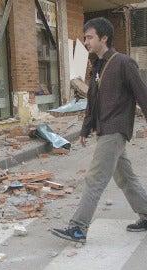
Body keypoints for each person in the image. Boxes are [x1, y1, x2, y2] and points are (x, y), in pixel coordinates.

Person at [51, 17, 147, 243]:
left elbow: (142, 94)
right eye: (85, 37)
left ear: (104, 38)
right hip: (104, 129)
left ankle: (78, 228)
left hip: (116, 129)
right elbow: (92, 101)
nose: (86, 41)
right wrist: (85, 129)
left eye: (90, 37)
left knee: (94, 178)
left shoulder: (124, 63)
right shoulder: (97, 66)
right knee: (125, 176)